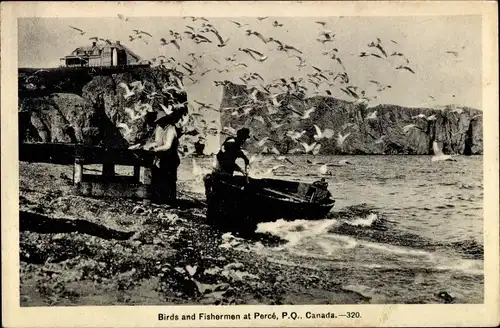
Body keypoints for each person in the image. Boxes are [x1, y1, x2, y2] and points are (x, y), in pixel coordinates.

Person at [144, 108, 186, 205]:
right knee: (157, 177)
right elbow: (158, 142)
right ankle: (157, 200)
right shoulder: (159, 128)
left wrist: (156, 149)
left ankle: (169, 201)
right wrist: (150, 146)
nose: (159, 123)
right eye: (158, 122)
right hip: (161, 157)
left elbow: (167, 145)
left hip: (170, 158)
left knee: (169, 179)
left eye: (162, 121)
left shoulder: (171, 129)